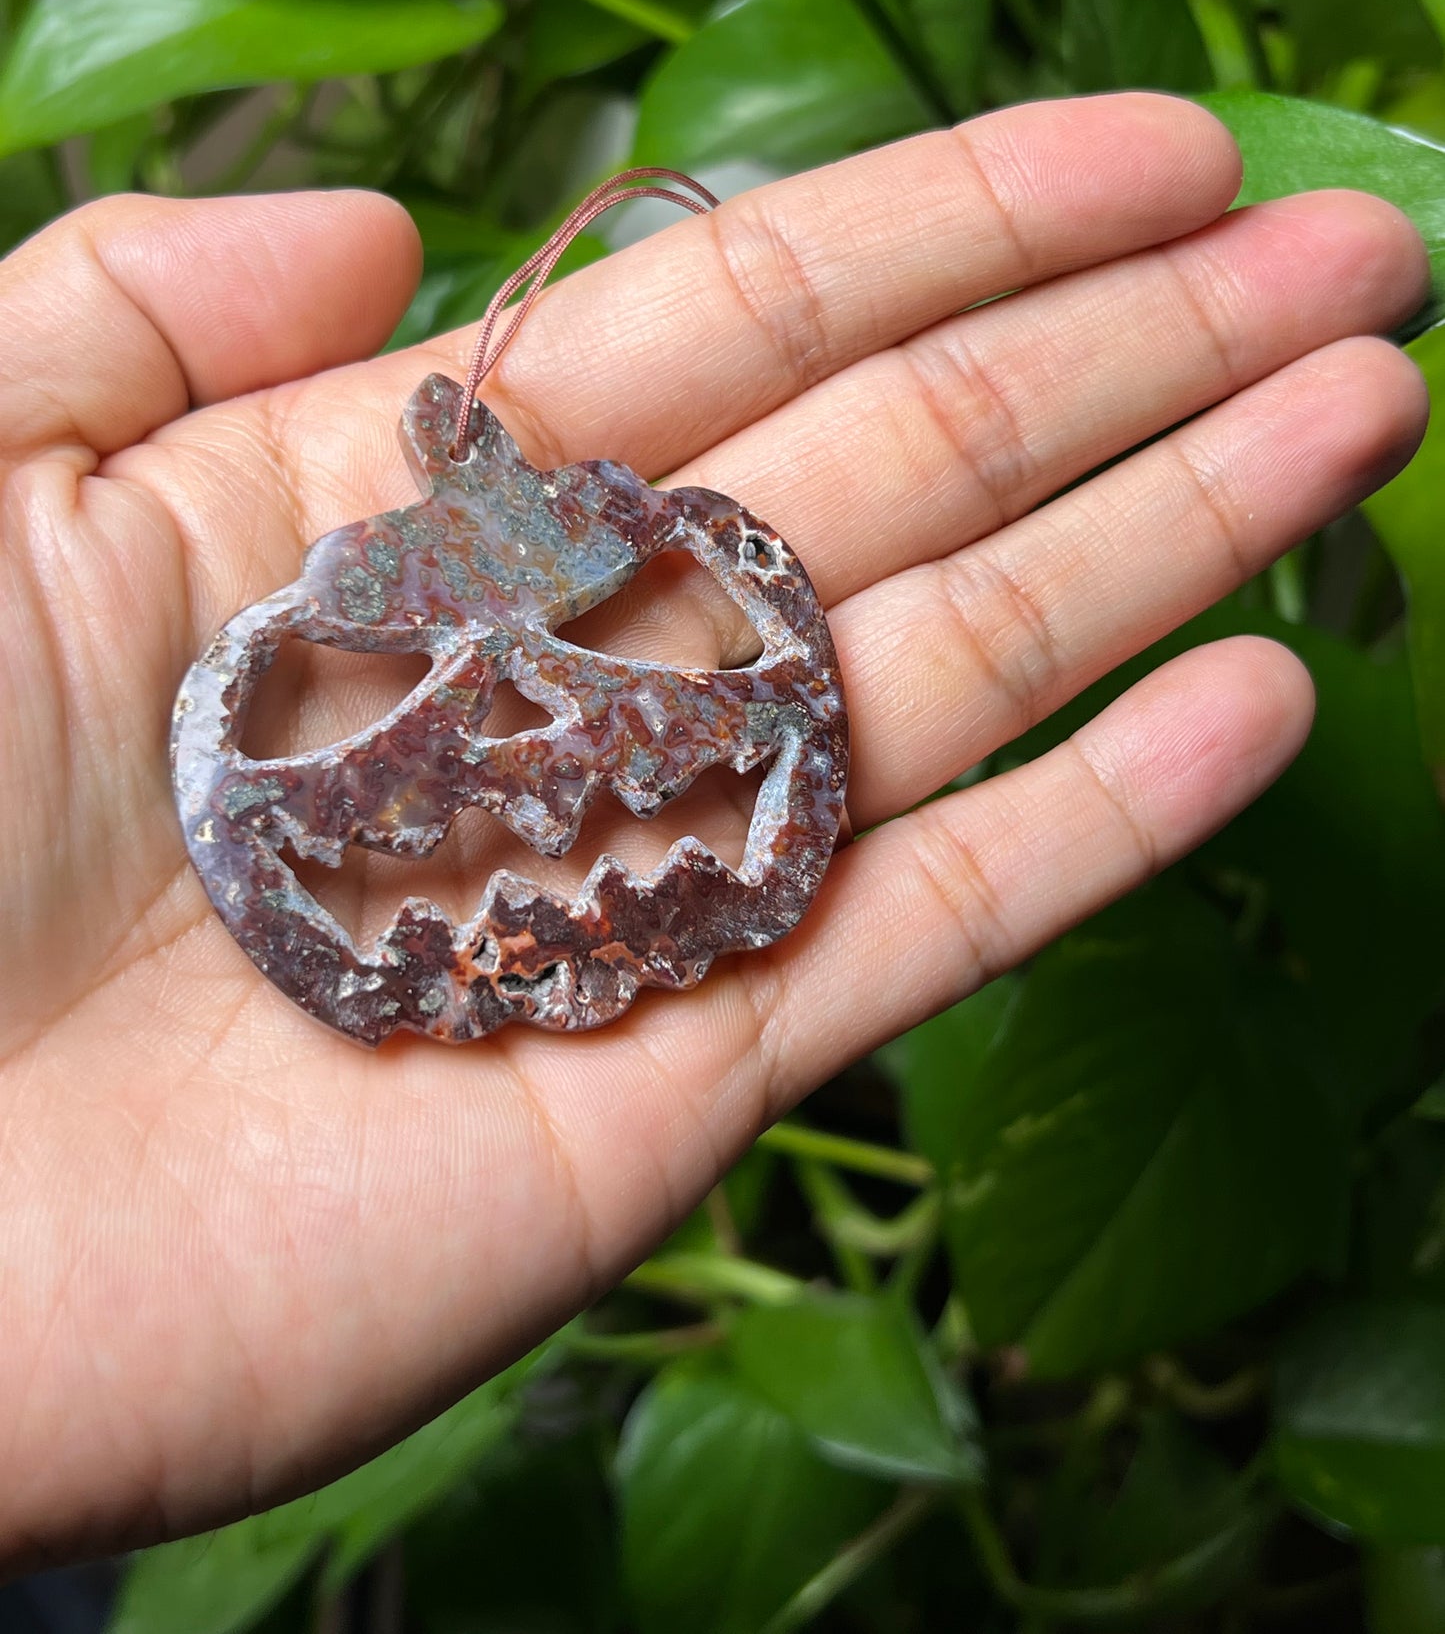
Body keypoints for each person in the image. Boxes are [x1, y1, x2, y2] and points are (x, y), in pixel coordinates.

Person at [0, 92, 1429, 1572]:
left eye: (552, 658)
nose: (525, 753)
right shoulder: (287, 679)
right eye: (440, 667)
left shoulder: (675, 579)